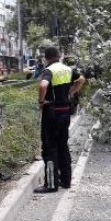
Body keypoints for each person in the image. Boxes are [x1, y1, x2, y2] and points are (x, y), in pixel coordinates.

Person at [34, 47, 85, 193]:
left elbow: (43, 85)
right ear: (58, 56)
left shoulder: (49, 70)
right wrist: (71, 92)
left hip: (52, 114)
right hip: (65, 113)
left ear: (47, 58)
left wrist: (41, 100)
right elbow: (81, 79)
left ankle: (51, 184)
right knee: (63, 146)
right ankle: (66, 180)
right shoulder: (67, 69)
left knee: (50, 148)